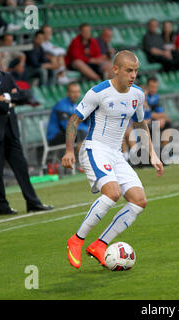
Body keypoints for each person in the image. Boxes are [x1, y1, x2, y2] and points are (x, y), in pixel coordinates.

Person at [63, 50, 164, 269]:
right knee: (113, 193)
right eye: (129, 70)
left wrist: (152, 153)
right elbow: (74, 120)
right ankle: (77, 239)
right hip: (94, 149)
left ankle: (100, 244)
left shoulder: (137, 95)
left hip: (115, 154)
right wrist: (69, 151)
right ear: (115, 69)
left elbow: (139, 123)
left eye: (136, 71)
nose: (133, 75)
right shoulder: (98, 92)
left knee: (139, 200)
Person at [0, 45, 53, 215]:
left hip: (11, 129)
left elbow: (24, 97)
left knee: (21, 167)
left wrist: (6, 97)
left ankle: (33, 202)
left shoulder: (7, 76)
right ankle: (2, 206)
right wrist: (11, 99)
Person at [47, 82, 88, 149]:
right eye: (73, 92)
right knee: (82, 133)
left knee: (90, 133)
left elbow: (81, 122)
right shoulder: (61, 105)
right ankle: (83, 159)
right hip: (55, 137)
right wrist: (86, 129)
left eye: (78, 92)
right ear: (68, 93)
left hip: (67, 134)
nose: (76, 94)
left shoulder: (76, 105)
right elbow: (68, 126)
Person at [145, 76, 172, 148]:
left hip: (153, 120)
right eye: (152, 87)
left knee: (167, 123)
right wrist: (158, 117)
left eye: (156, 87)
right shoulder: (144, 97)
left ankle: (165, 150)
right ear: (147, 86)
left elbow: (161, 112)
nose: (154, 89)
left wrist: (163, 119)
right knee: (155, 126)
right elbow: (148, 114)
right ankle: (153, 152)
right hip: (144, 122)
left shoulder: (156, 97)